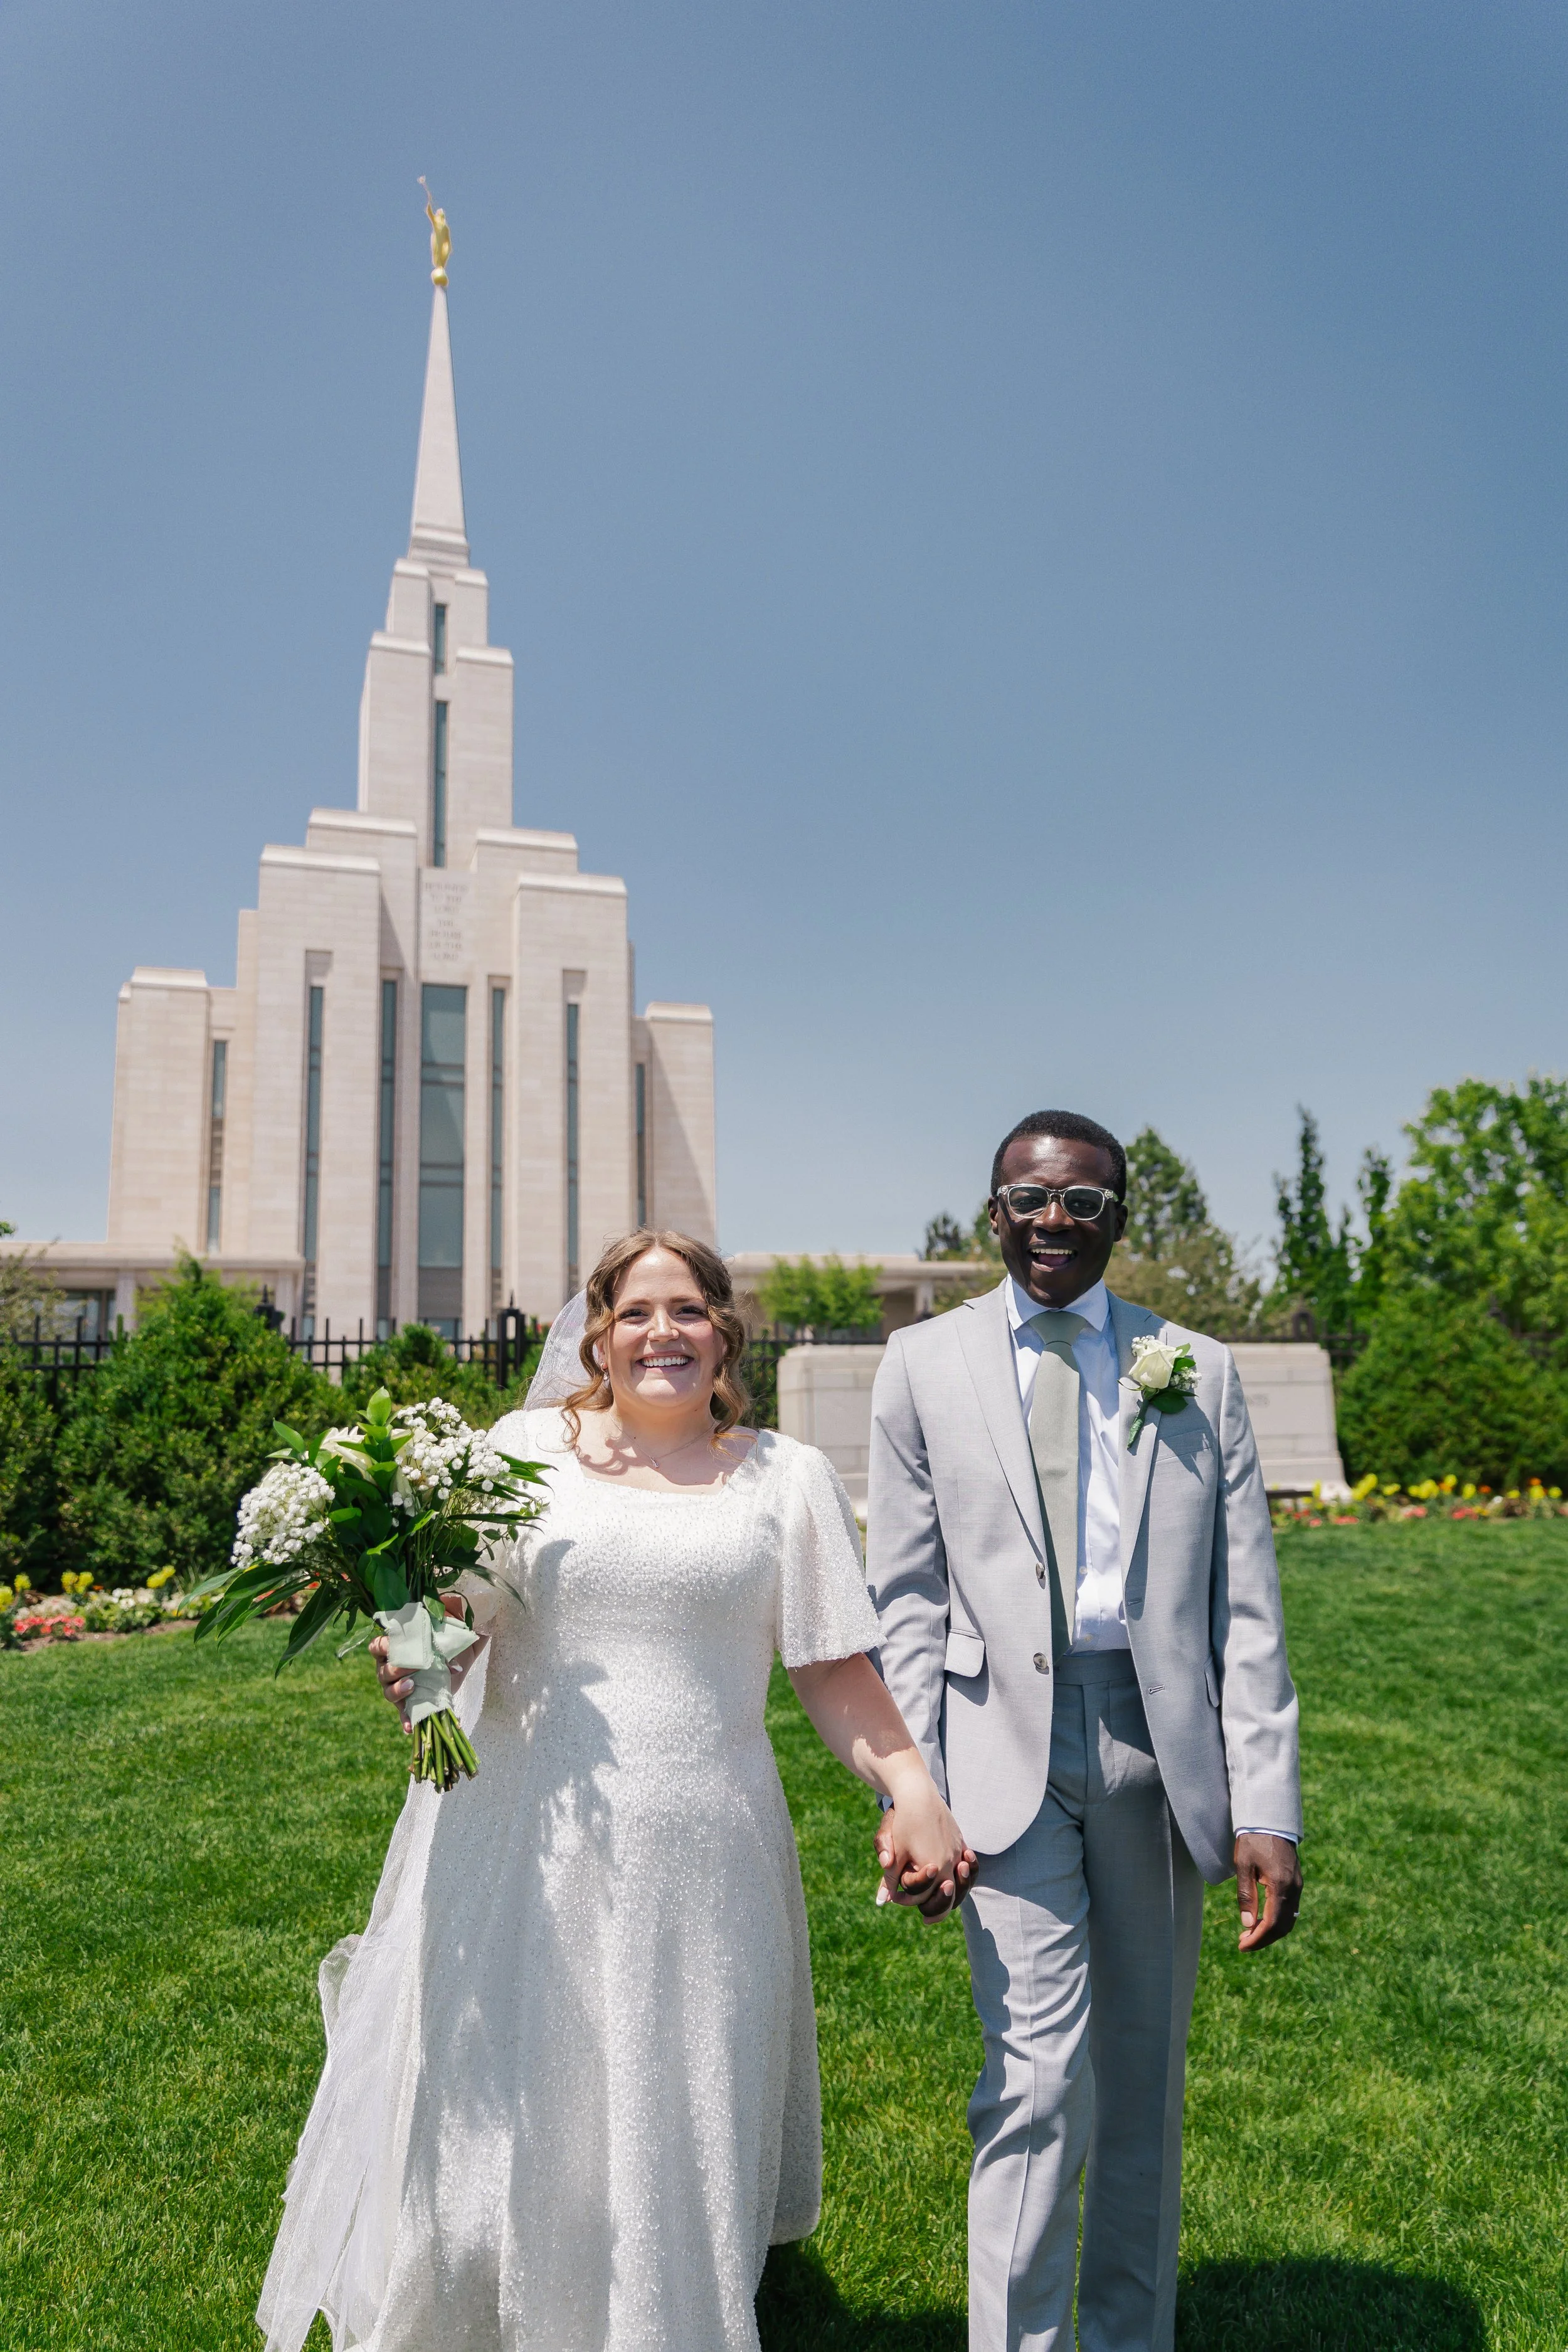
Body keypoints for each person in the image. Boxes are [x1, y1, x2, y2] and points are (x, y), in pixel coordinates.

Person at [257, 1227, 973, 2352]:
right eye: (637, 1312)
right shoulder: (521, 1451)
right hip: (527, 1842)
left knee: (672, 2124)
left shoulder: (787, 1479)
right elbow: (460, 1622)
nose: (663, 1333)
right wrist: (421, 1658)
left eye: (688, 1310)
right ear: (597, 1332)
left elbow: (832, 1665)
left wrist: (910, 1786)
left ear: (726, 1331)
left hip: (709, 1854)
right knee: (505, 2121)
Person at [867, 1110, 1303, 2352]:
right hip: (997, 1748)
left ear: (1118, 1219)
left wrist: (1264, 1802)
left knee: (1141, 2080)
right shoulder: (920, 1366)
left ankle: (1126, 2339)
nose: (1053, 1220)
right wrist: (915, 1790)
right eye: (1028, 1198)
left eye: (1083, 1204)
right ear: (991, 1212)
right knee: (1035, 2082)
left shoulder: (1195, 1370)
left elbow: (1246, 1607)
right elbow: (904, 1596)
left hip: (1156, 1753)